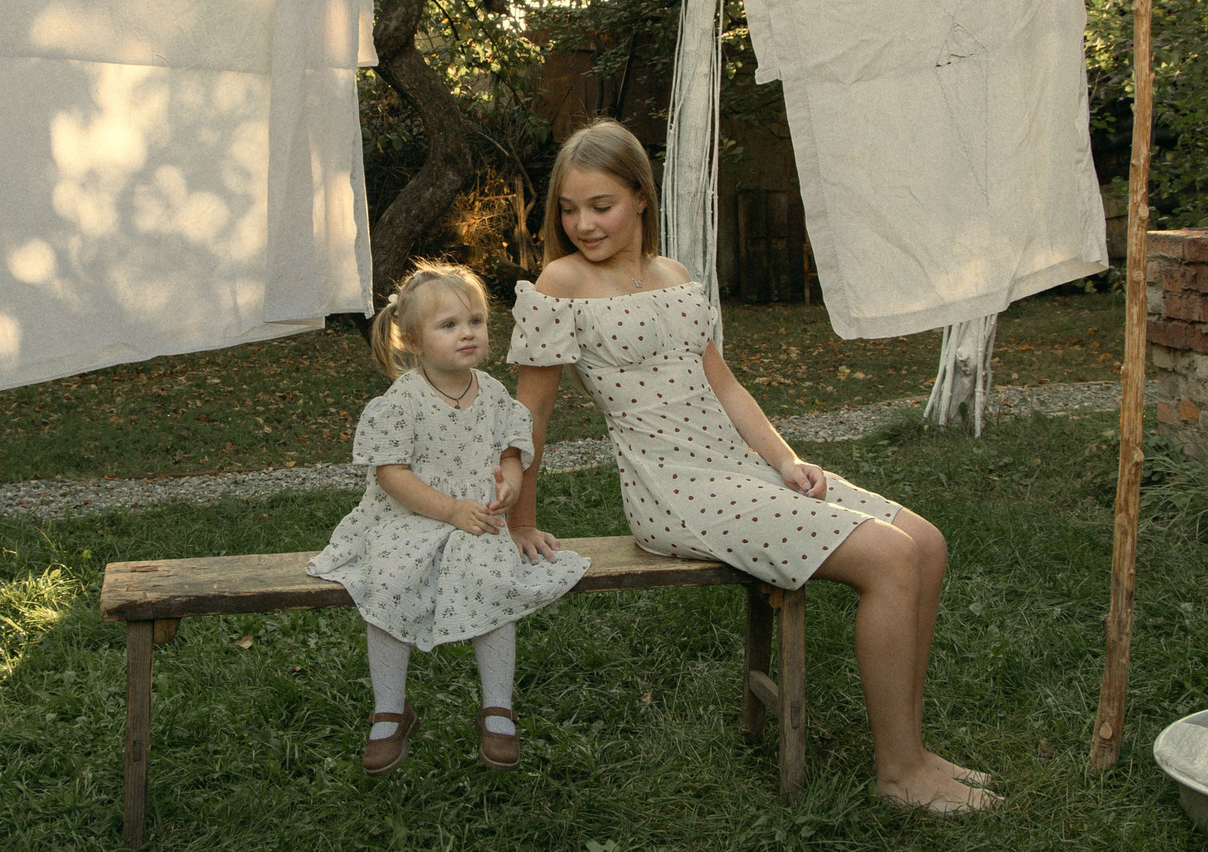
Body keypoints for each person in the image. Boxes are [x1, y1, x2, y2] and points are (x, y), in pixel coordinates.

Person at [505, 120, 995, 812]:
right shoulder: (561, 282)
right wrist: (520, 519)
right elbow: (531, 414)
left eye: (601, 204)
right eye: (569, 207)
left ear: (641, 196)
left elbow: (727, 387)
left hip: (737, 468)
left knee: (928, 543)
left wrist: (786, 459)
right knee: (890, 559)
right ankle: (899, 775)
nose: (582, 222)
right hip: (675, 491)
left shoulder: (673, 276)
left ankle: (912, 747)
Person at [308, 262, 591, 774]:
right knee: (389, 581)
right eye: (449, 326)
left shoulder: (495, 395)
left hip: (476, 517)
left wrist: (509, 483)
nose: (468, 334)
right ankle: (390, 710)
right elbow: (393, 476)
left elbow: (509, 451)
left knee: (493, 575)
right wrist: (448, 510)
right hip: (408, 517)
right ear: (413, 341)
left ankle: (497, 705)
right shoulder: (401, 402)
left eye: (476, 322)